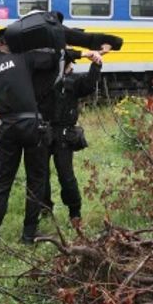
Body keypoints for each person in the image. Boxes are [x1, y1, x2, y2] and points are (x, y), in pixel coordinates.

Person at [0, 39, 58, 244]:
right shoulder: (23, 57)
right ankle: (29, 234)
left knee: (1, 183)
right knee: (35, 181)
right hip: (30, 124)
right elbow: (51, 59)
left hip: (5, 127)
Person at [41, 48, 104, 228]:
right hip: (44, 131)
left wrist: (96, 65)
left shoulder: (74, 81)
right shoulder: (45, 80)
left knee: (66, 176)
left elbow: (89, 85)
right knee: (41, 175)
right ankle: (44, 209)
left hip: (63, 134)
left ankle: (74, 213)